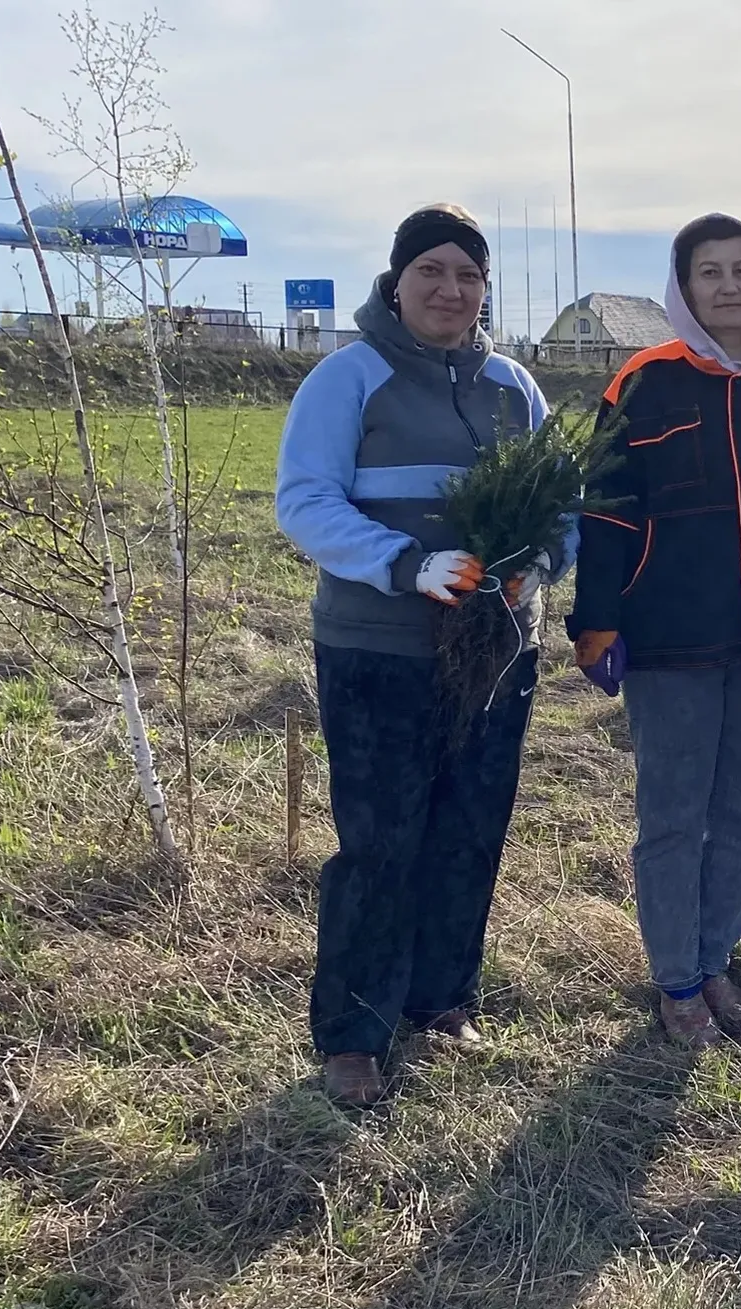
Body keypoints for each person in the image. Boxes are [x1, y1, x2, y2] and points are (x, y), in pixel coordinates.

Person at [275, 203, 563, 1106]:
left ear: (486, 289)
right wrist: (406, 566)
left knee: (471, 829)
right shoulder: (347, 379)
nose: (451, 289)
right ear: (397, 280)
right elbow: (306, 503)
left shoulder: (514, 387)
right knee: (380, 841)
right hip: (378, 649)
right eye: (432, 270)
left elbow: (559, 507)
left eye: (469, 275)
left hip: (495, 654)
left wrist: (537, 565)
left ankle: (442, 1001)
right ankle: (354, 1033)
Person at [567, 214, 741, 1048]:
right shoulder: (644, 385)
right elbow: (605, 514)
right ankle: (676, 977)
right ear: (682, 288)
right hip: (671, 642)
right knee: (674, 814)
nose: (727, 287)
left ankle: (715, 956)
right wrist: (596, 621)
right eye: (708, 272)